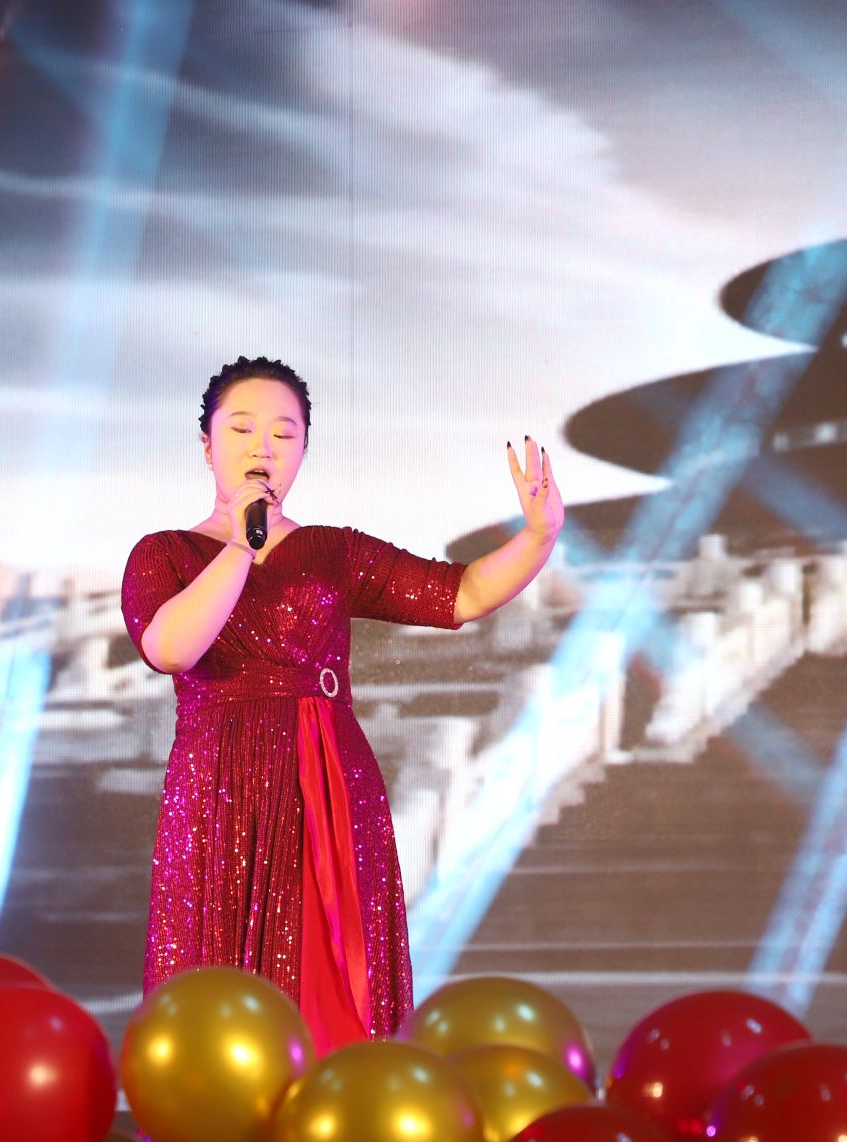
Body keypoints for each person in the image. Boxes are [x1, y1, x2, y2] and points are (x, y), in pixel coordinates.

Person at [121, 356, 564, 1053]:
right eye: (241, 429)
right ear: (207, 445)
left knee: (333, 978)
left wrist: (537, 537)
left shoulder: (332, 551)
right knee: (216, 982)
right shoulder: (163, 555)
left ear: (303, 449)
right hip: (220, 788)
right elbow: (172, 647)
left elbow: (461, 594)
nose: (263, 446)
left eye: (284, 433)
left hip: (326, 780)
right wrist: (241, 543)